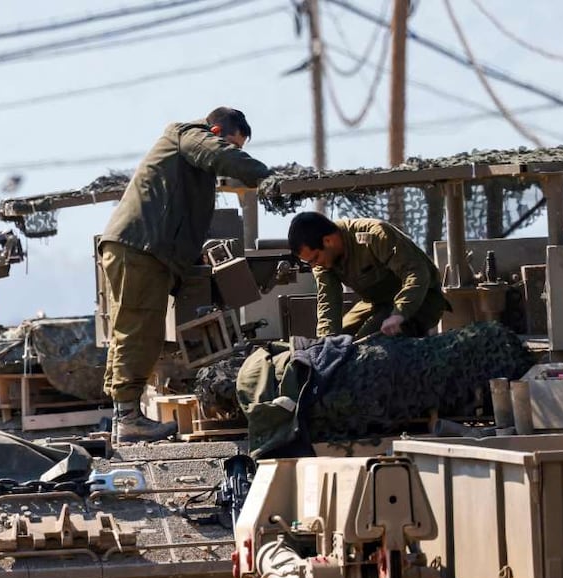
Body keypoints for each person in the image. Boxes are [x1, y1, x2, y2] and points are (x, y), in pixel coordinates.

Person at [98, 107, 272, 442]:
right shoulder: (186, 134)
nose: (232, 155)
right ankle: (129, 418)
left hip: (141, 248)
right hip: (141, 248)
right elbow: (216, 153)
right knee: (140, 330)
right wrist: (265, 176)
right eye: (233, 146)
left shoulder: (189, 156)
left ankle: (124, 412)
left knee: (131, 329)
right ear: (217, 130)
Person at [287, 212, 450, 339]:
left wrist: (399, 314)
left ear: (328, 241)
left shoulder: (375, 235)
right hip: (377, 304)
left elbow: (417, 273)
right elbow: (328, 301)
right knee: (339, 340)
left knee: (366, 341)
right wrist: (326, 342)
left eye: (315, 258)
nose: (314, 265)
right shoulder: (323, 260)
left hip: (422, 300)